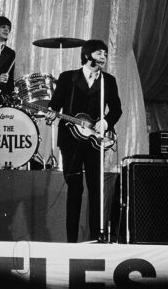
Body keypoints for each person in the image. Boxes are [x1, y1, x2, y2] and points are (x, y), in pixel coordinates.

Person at [45, 39, 122, 243]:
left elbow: (116, 109)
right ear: (87, 55)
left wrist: (105, 123)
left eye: (105, 54)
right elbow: (55, 104)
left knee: (96, 187)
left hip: (95, 140)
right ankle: (72, 241)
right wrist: (51, 113)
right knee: (75, 188)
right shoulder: (68, 77)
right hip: (70, 139)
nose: (103, 57)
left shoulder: (109, 80)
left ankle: (97, 238)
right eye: (99, 53)